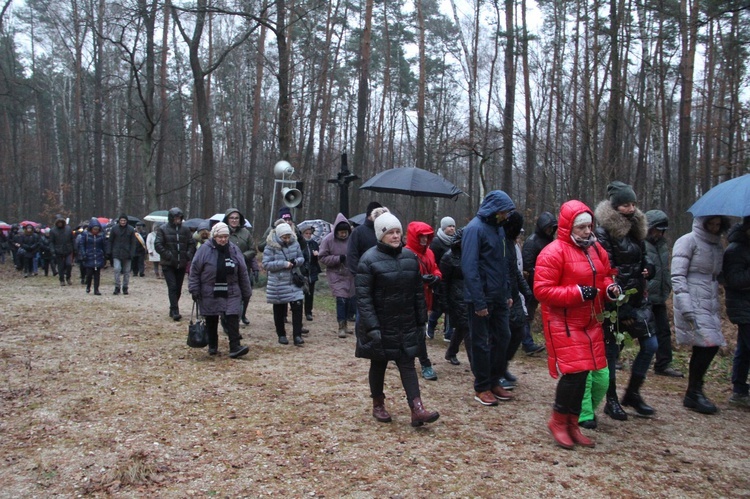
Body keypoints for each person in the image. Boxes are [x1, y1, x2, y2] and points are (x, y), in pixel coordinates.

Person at [534, 200, 616, 449]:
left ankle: (573, 423)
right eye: (582, 227)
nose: (587, 231)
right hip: (564, 321)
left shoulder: (595, 249)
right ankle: (558, 421)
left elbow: (604, 276)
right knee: (574, 373)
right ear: (569, 227)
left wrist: (609, 289)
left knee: (585, 374)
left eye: (589, 226)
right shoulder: (553, 252)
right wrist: (578, 292)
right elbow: (542, 290)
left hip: (590, 320)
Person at [356, 211, 439, 427]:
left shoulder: (410, 258)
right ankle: (378, 404)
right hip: (381, 324)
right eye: (390, 232)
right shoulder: (368, 260)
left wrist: (422, 320)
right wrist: (372, 327)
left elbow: (418, 293)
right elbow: (363, 298)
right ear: (380, 235)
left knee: (408, 363)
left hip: (406, 322)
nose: (395, 236)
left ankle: (417, 409)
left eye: (397, 232)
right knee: (379, 364)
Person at [595, 181, 657, 419]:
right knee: (612, 350)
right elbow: (606, 271)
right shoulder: (604, 232)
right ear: (615, 206)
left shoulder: (636, 228)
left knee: (650, 345)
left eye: (633, 204)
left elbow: (642, 261)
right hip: (614, 304)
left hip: (638, 300)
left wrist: (648, 269)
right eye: (625, 205)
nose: (631, 209)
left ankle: (632, 393)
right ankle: (610, 400)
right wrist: (621, 306)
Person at [462, 190, 515, 406]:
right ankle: (482, 386)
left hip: (499, 297)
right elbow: (469, 266)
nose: (507, 216)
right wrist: (479, 301)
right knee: (481, 343)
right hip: (480, 298)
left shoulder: (499, 230)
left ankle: (494, 380)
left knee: (504, 337)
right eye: (504, 211)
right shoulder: (474, 229)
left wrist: (508, 292)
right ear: (495, 210)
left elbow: (503, 264)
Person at [671, 215, 729, 414]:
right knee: (707, 344)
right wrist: (685, 303)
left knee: (707, 346)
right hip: (692, 298)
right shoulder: (688, 241)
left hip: (710, 299)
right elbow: (678, 274)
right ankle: (694, 392)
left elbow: (717, 274)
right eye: (711, 224)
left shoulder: (717, 245)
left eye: (718, 225)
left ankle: (694, 390)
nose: (714, 228)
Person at [188, 222, 251, 358]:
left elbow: (242, 271)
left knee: (233, 317)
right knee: (211, 318)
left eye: (226, 237)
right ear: (214, 236)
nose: (223, 240)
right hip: (209, 290)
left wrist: (246, 291)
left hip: (232, 289)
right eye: (220, 237)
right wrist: (194, 289)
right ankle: (212, 345)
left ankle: (235, 346)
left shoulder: (234, 250)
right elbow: (194, 270)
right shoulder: (204, 250)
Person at [644, 210, 683, 377]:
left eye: (662, 230)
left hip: (659, 295)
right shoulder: (640, 244)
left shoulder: (663, 245)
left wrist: (667, 286)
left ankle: (663, 364)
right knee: (632, 327)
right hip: (643, 296)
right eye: (656, 229)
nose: (659, 233)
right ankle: (614, 357)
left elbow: (665, 268)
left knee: (663, 330)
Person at [501, 212, 534, 390]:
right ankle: (496, 372)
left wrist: (526, 291)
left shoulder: (512, 246)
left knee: (518, 332)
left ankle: (503, 366)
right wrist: (506, 295)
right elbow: (501, 273)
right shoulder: (501, 245)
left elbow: (514, 272)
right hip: (504, 297)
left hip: (514, 296)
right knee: (501, 336)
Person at [405, 220, 441, 381]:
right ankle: (425, 364)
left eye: (427, 237)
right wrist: (419, 279)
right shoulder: (405, 253)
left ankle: (404, 356)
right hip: (408, 299)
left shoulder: (429, 253)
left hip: (425, 298)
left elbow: (435, 268)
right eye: (421, 237)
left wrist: (436, 277)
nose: (424, 240)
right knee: (417, 333)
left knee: (418, 331)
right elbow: (402, 276)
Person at [263, 221, 305, 345]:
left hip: (293, 280)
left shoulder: (295, 243)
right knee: (279, 309)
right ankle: (281, 334)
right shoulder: (270, 246)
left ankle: (297, 335)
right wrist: (282, 264)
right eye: (284, 237)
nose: (287, 240)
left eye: (288, 237)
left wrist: (295, 262)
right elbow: (266, 264)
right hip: (278, 282)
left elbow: (301, 258)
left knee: (298, 306)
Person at [522, 211, 557, 355]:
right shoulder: (532, 241)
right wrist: (541, 275)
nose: (550, 230)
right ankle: (527, 343)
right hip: (533, 285)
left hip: (548, 284)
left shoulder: (550, 241)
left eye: (552, 228)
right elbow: (527, 266)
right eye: (548, 227)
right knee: (527, 314)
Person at [724, 216, 750, 408]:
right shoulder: (734, 250)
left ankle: (739, 390)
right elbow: (734, 280)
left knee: (743, 348)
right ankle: (739, 390)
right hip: (742, 307)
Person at [155, 207, 196, 321]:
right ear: (171, 218)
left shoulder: (185, 230)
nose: (178, 220)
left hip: (182, 263)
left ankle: (172, 307)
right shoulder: (163, 229)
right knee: (172, 286)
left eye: (179, 218)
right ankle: (175, 310)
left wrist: (188, 254)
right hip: (168, 263)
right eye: (176, 218)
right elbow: (158, 244)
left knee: (178, 288)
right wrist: (168, 255)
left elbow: (191, 243)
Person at [319, 214, 356, 338]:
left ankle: (346, 324)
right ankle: (341, 326)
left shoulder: (352, 239)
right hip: (336, 273)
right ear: (336, 231)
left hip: (350, 273)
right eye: (341, 232)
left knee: (349, 300)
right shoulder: (328, 240)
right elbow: (322, 257)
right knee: (341, 299)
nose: (343, 235)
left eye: (345, 232)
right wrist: (337, 258)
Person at [440, 228, 471, 366]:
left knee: (462, 327)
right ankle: (476, 364)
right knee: (467, 328)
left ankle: (451, 352)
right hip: (456, 298)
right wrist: (445, 302)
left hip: (469, 294)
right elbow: (444, 281)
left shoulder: (471, 253)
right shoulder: (448, 257)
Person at [222, 208, 256, 325]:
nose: (234, 220)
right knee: (228, 295)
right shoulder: (223, 231)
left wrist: (242, 257)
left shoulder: (246, 233)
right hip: (227, 268)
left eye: (236, 218)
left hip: (244, 267)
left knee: (245, 293)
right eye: (231, 218)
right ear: (227, 219)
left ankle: (242, 314)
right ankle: (227, 318)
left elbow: (253, 250)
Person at [427, 216, 456, 340]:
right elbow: (432, 260)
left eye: (453, 226)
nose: (452, 228)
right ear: (444, 227)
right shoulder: (436, 242)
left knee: (451, 306)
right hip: (440, 278)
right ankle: (431, 326)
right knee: (439, 307)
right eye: (449, 226)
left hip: (452, 279)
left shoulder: (455, 241)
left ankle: (448, 333)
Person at [108, 213, 136, 295]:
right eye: (121, 220)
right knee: (117, 269)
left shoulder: (131, 229)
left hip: (127, 253)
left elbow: (133, 242)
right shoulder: (114, 229)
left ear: (127, 221)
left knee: (127, 271)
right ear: (119, 221)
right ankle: (117, 287)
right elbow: (110, 240)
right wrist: (109, 251)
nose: (123, 222)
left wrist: (132, 253)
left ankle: (125, 287)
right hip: (116, 252)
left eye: (124, 220)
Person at [298, 223, 321, 321]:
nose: (308, 235)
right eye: (306, 233)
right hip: (302, 271)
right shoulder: (299, 244)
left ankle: (308, 312)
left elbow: (319, 257)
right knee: (300, 293)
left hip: (312, 270)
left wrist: (317, 255)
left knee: (310, 293)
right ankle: (297, 311)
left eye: (309, 233)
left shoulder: (314, 244)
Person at [78, 218, 106, 295]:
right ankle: (88, 286)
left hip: (98, 255)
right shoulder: (85, 234)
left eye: (97, 229)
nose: (95, 231)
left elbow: (104, 245)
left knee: (97, 274)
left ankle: (96, 289)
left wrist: (105, 255)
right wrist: (83, 254)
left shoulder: (101, 235)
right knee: (89, 274)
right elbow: (82, 245)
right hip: (88, 256)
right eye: (94, 229)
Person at [49, 215, 75, 286]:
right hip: (58, 250)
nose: (60, 224)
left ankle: (68, 277)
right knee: (60, 266)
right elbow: (51, 242)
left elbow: (72, 239)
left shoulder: (68, 229)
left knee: (69, 264)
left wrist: (74, 248)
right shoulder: (53, 230)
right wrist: (53, 251)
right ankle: (62, 280)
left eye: (61, 222)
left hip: (68, 249)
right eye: (58, 222)